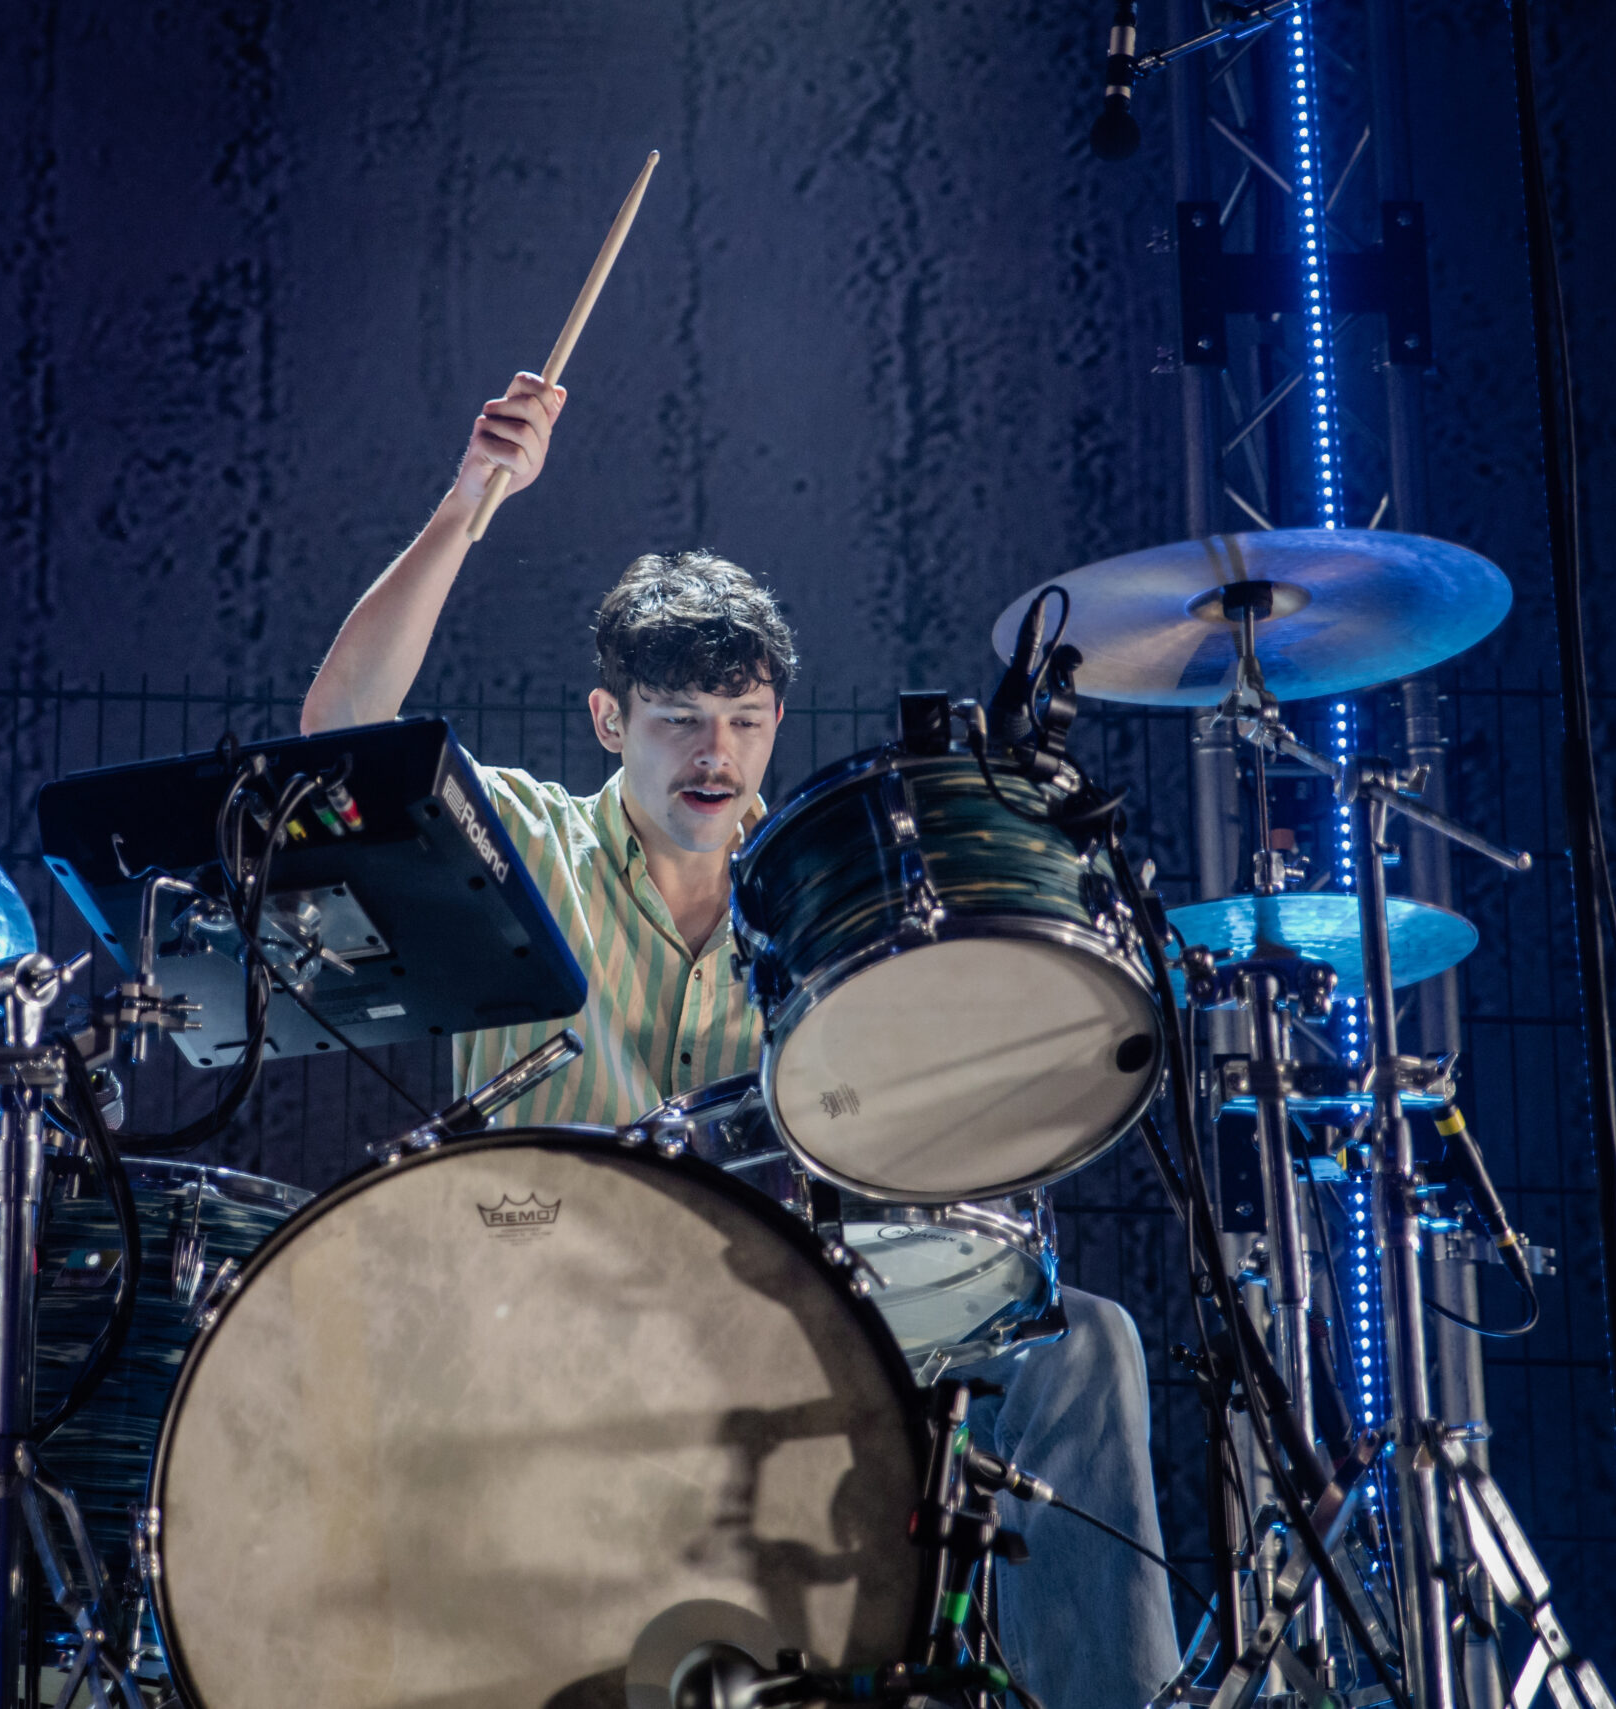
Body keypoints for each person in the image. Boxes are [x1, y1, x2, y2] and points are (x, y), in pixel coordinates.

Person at [301, 371, 1183, 1706]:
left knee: (1083, 1344)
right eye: (680, 723)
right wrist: (469, 499)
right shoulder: (524, 841)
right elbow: (340, 733)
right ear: (611, 721)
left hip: (770, 1323)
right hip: (535, 1308)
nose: (717, 755)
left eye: (745, 722)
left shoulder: (823, 899)